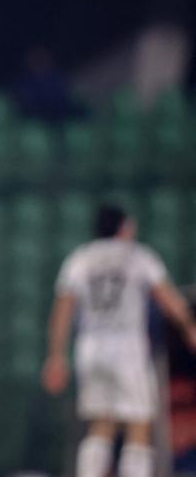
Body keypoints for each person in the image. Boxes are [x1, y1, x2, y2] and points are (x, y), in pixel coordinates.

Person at [42, 204, 196, 477]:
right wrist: (189, 328)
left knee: (101, 422)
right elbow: (169, 300)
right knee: (139, 424)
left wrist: (56, 355)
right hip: (127, 348)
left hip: (90, 348)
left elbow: (63, 309)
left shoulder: (80, 259)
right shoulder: (138, 256)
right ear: (124, 228)